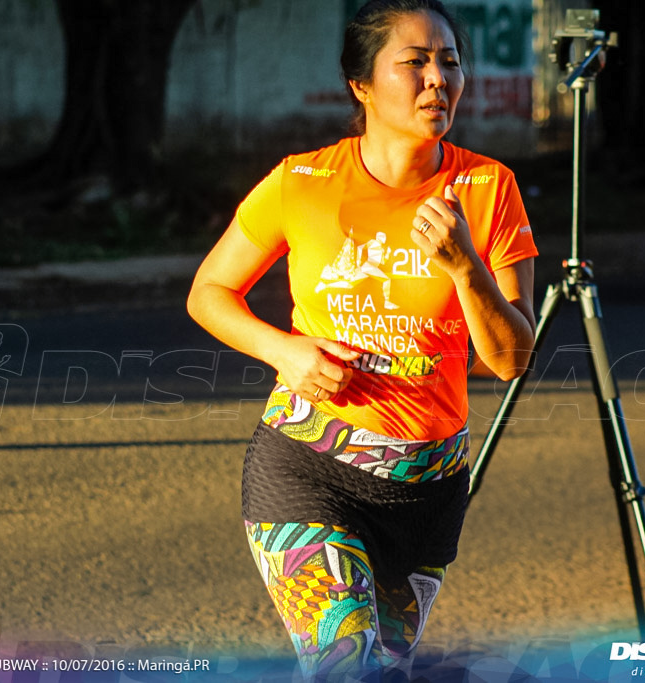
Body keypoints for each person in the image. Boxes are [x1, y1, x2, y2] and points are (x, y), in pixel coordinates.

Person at [187, 0, 537, 678]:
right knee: (344, 661)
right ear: (361, 84)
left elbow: (511, 358)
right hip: (307, 466)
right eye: (415, 63)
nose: (439, 79)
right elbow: (209, 291)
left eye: (451, 62)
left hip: (427, 488)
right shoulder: (302, 182)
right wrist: (284, 350)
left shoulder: (488, 188)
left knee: (386, 667)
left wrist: (466, 267)